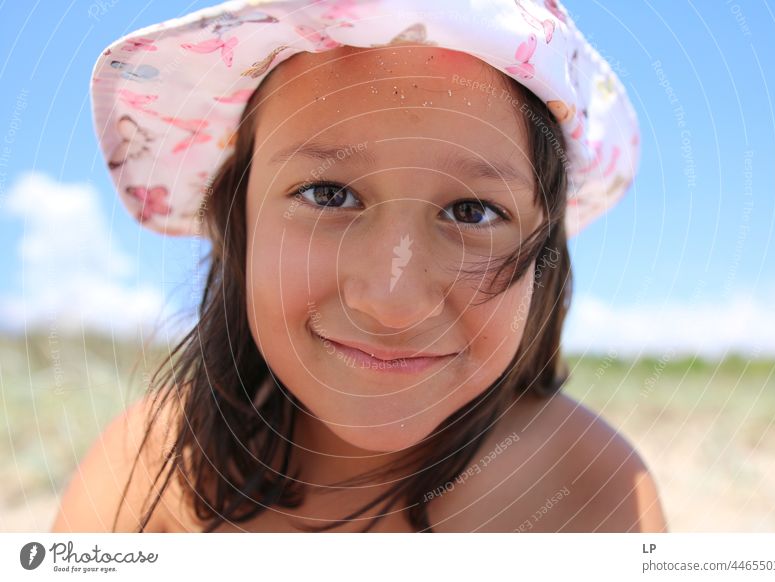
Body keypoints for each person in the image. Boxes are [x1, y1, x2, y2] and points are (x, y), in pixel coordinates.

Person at [52, 0, 667, 533]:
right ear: (238, 218)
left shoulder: (593, 490)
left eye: (473, 211)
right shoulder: (152, 469)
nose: (392, 299)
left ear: (544, 249)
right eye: (327, 196)